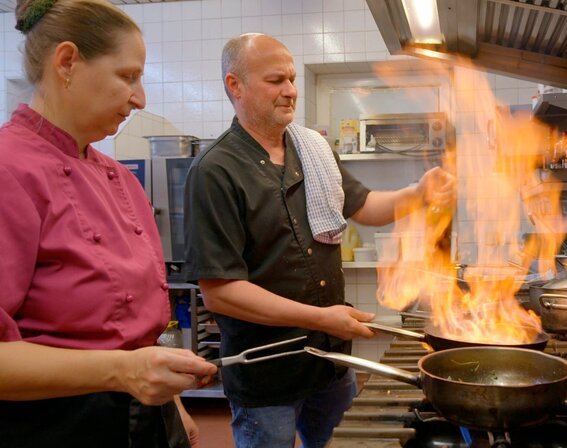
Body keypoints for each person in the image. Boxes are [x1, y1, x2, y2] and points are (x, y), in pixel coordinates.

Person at [183, 33, 455, 448]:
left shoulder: (313, 149)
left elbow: (366, 207)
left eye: (292, 79)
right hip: (267, 375)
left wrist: (419, 192)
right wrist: (321, 317)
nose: (290, 91)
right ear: (234, 85)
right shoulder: (215, 171)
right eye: (276, 80)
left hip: (329, 363)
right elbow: (222, 293)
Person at [0, 1, 217, 447]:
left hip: (145, 415)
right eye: (128, 76)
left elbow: (136, 329)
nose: (141, 99)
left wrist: (169, 405)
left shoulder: (119, 177)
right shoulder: (9, 169)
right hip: (55, 427)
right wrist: (124, 371)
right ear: (67, 63)